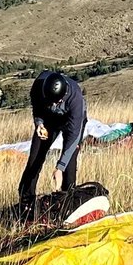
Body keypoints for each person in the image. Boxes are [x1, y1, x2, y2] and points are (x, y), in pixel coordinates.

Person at [19, 69, 87, 217]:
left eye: (56, 102)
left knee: (69, 164)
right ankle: (25, 204)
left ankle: (67, 204)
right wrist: (39, 123)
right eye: (49, 101)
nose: (53, 104)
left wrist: (59, 167)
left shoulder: (75, 98)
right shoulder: (38, 86)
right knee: (34, 160)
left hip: (71, 122)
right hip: (48, 120)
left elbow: (73, 136)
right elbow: (37, 108)